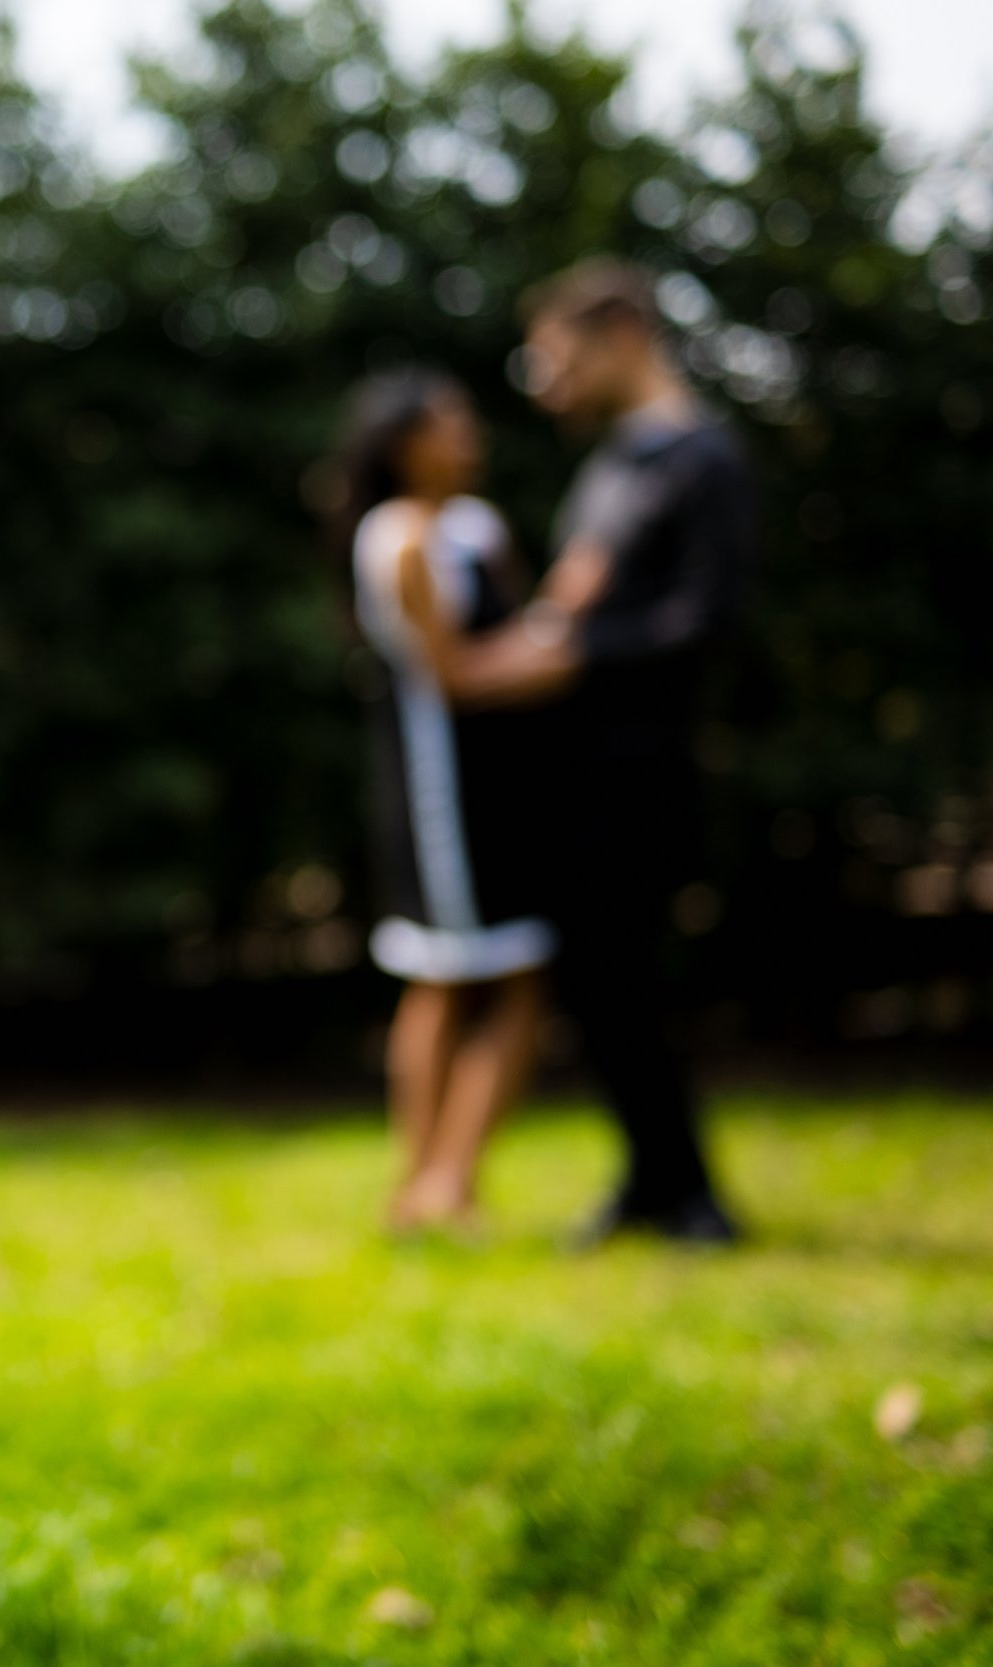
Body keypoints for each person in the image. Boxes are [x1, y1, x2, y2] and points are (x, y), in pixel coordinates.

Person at [440, 257, 754, 1245]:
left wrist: (567, 656)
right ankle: (651, 1179)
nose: (543, 385)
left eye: (556, 358)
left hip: (643, 768)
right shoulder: (615, 464)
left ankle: (691, 1191)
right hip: (574, 771)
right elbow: (576, 596)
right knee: (594, 981)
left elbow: (702, 621)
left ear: (622, 336)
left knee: (629, 975)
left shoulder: (705, 460)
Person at [333, 369, 554, 1232]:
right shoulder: (398, 539)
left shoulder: (476, 525)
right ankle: (437, 1186)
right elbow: (452, 672)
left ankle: (434, 1187)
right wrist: (577, 646)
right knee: (471, 977)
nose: (470, 437)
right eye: (448, 424)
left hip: (508, 782)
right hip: (447, 795)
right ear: (402, 446)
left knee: (476, 978)